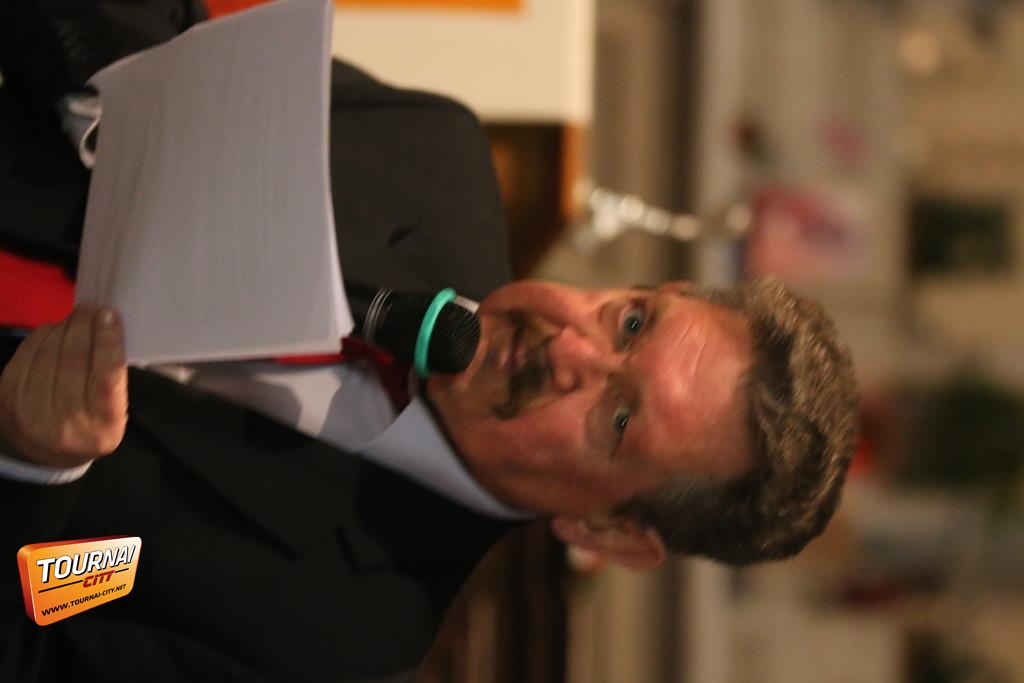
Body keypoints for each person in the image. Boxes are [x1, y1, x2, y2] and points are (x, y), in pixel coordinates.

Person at [0, 1, 860, 680]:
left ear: (607, 530)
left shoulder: (334, 643)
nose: (572, 351)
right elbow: (161, 36)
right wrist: (116, 106)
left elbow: (35, 628)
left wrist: (34, 470)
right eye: (630, 323)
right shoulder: (432, 158)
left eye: (620, 417)